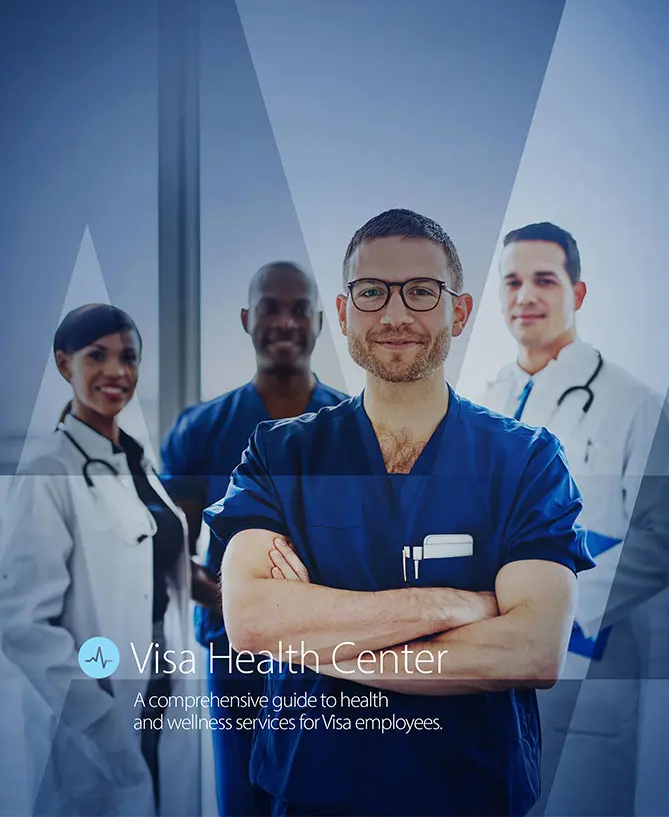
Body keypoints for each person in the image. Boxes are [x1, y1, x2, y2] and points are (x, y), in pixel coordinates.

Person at [206, 209, 595, 817]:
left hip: (472, 791)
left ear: (458, 313)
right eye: (371, 292)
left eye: (421, 291)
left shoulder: (526, 460)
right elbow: (254, 625)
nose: (394, 314)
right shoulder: (281, 454)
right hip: (315, 790)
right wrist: (449, 607)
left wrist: (320, 640)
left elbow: (534, 651)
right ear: (342, 313)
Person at [479, 222, 669, 816]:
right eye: (512, 281)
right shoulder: (486, 402)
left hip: (585, 669)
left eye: (544, 280)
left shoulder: (633, 406)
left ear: (577, 294)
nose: (525, 295)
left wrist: (562, 603)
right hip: (491, 669)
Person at [161, 261, 347, 817]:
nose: (284, 322)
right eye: (270, 307)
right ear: (247, 318)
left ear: (318, 321)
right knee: (243, 799)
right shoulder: (201, 431)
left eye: (298, 310)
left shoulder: (355, 426)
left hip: (329, 652)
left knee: (321, 794)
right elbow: (176, 552)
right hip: (234, 650)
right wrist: (235, 603)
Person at [0, 304, 200, 816]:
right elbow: (22, 622)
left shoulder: (134, 462)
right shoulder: (49, 470)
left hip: (162, 687)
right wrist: (96, 717)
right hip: (97, 711)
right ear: (65, 364)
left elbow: (155, 566)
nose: (117, 372)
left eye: (128, 358)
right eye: (98, 356)